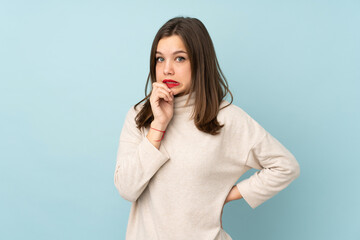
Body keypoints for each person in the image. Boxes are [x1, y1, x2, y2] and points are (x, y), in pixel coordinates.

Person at [114, 16, 300, 240]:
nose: (167, 69)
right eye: (160, 59)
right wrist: (159, 125)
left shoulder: (227, 119)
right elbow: (127, 188)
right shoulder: (139, 116)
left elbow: (285, 166)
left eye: (180, 58)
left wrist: (227, 195)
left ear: (200, 61)